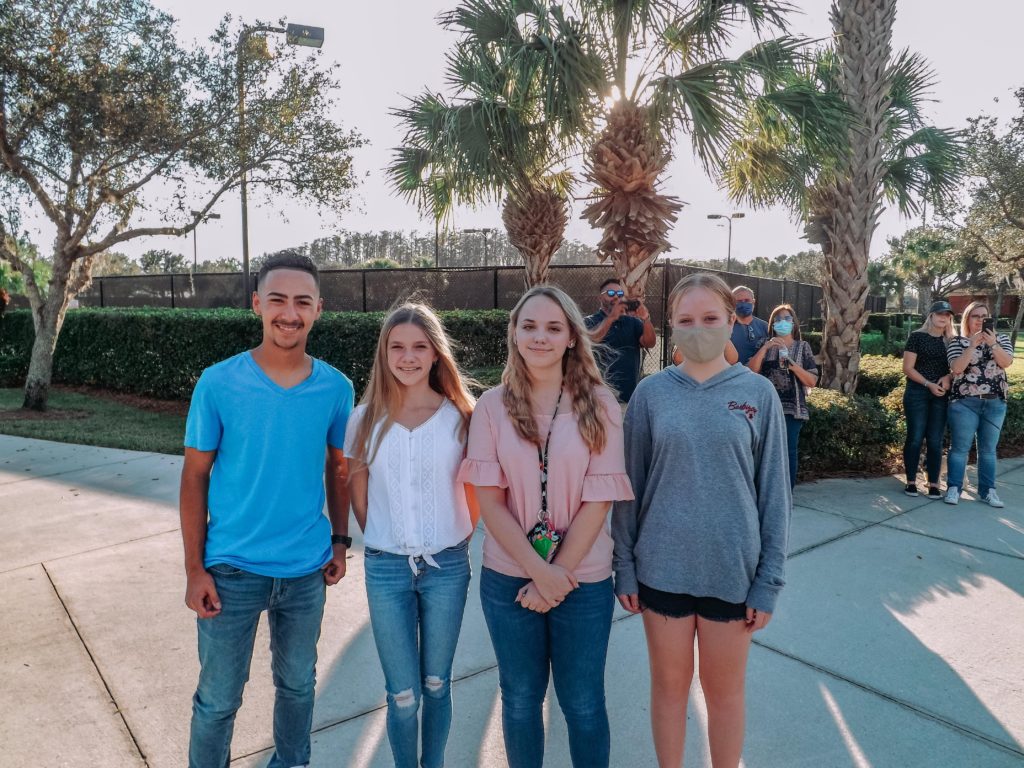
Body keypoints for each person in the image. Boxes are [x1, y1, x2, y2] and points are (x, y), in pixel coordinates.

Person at [180, 253, 354, 768]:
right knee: (217, 700)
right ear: (257, 304)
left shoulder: (336, 388)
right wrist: (194, 570)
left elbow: (338, 468)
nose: (289, 313)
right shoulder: (218, 383)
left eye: (302, 302)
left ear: (319, 309)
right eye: (277, 300)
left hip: (305, 571)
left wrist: (339, 542)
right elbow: (195, 476)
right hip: (230, 570)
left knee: (298, 686)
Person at [612, 272, 791, 768]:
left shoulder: (758, 394)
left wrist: (769, 580)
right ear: (671, 324)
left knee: (724, 693)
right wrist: (624, 566)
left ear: (731, 321)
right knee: (669, 689)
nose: (698, 329)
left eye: (710, 318)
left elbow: (774, 494)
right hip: (661, 570)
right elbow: (629, 489)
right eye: (686, 320)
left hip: (733, 572)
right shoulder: (651, 395)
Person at [459, 285, 633, 768]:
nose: (540, 337)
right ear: (514, 333)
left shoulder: (600, 403)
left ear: (572, 337)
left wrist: (557, 577)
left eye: (554, 328)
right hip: (509, 581)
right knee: (519, 700)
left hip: (584, 581)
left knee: (583, 704)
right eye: (529, 326)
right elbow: (490, 504)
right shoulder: (491, 407)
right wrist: (539, 573)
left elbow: (599, 501)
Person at [344, 303, 478, 768]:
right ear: (384, 353)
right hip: (386, 570)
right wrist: (388, 539)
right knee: (402, 695)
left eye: (420, 347)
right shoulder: (364, 419)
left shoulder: (461, 416)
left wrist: (453, 535)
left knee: (437, 683)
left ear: (436, 353)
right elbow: (360, 496)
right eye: (397, 347)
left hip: (447, 568)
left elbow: (474, 495)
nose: (408, 357)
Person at [944, 301, 1015, 508]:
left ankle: (988, 491)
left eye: (984, 316)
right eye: (975, 316)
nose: (980, 320)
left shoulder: (1002, 339)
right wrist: (972, 345)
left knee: (988, 450)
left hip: (995, 403)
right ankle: (954, 488)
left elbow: (1006, 362)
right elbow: (957, 368)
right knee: (960, 448)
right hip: (965, 403)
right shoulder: (957, 342)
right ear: (967, 319)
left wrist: (993, 344)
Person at [748, 303, 817, 490]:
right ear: (772, 324)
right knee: (763, 452)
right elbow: (751, 371)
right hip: (765, 409)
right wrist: (765, 348)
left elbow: (812, 380)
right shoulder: (764, 344)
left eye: (787, 318)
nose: (782, 322)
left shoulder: (802, 347)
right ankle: (764, 491)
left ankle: (786, 493)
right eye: (778, 319)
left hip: (792, 409)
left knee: (788, 452)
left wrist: (793, 365)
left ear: (793, 323)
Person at [899, 301, 954, 498]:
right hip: (917, 392)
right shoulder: (917, 337)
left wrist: (948, 378)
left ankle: (933, 483)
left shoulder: (952, 341)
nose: (943, 317)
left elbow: (958, 367)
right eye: (940, 313)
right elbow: (907, 368)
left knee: (935, 440)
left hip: (941, 394)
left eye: (947, 315)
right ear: (931, 315)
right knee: (915, 437)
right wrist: (928, 384)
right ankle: (911, 481)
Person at [585, 277, 657, 403]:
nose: (615, 297)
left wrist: (646, 318)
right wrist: (611, 318)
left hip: (629, 397)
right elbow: (590, 341)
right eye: (610, 293)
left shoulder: (633, 322)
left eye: (619, 293)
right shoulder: (590, 321)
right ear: (600, 298)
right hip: (597, 397)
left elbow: (650, 343)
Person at [729, 285, 769, 365]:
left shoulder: (765, 326)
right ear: (732, 303)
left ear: (753, 302)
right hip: (733, 371)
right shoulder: (727, 326)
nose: (743, 303)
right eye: (739, 301)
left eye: (747, 300)